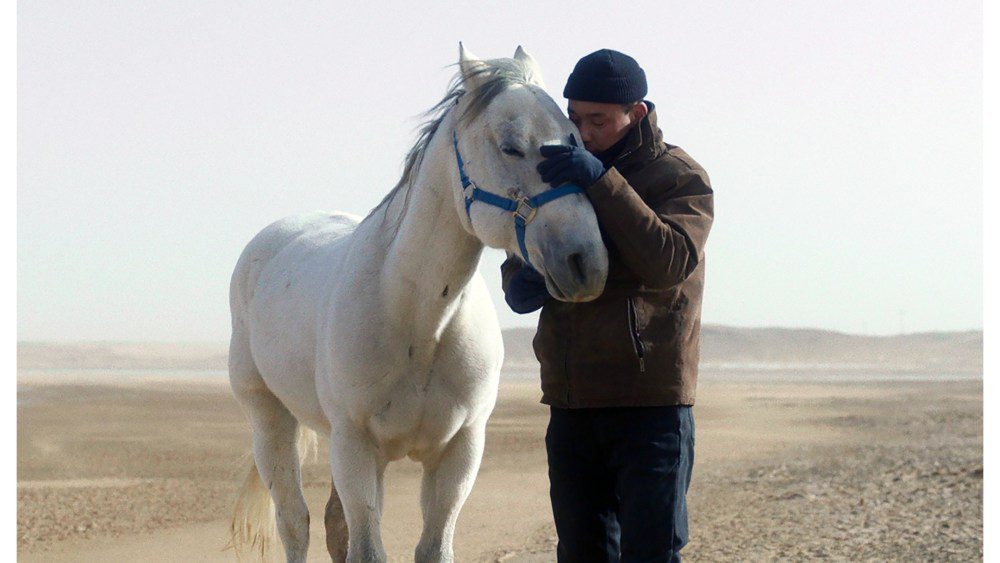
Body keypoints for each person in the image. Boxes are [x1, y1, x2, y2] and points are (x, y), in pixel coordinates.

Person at [501, 49, 714, 562]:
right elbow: (524, 240)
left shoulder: (679, 177)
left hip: (651, 406)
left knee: (651, 553)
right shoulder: (556, 172)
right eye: (575, 118)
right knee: (582, 553)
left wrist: (601, 181)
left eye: (598, 120)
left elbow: (669, 260)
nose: (584, 131)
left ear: (636, 113)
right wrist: (519, 278)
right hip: (573, 404)